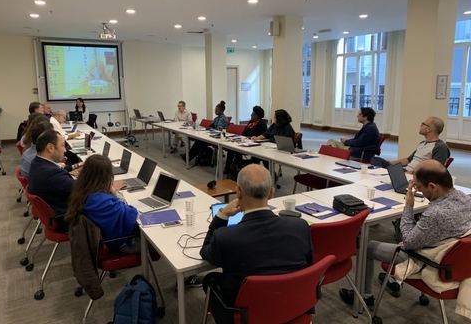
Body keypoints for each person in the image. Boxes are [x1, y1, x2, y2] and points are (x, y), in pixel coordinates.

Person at [339, 160, 471, 311]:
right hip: (455, 257)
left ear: (433, 186)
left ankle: (363, 296)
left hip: (429, 260)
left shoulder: (436, 213)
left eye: (419, 187)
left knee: (365, 246)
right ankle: (390, 280)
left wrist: (408, 206)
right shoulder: (465, 198)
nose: (418, 190)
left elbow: (408, 242)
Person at [200, 164, 313, 324]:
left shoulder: (225, 237)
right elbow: (308, 268)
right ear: (272, 193)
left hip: (247, 316)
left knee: (211, 279)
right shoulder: (300, 227)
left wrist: (222, 215)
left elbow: (206, 253)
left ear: (238, 193)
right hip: (294, 307)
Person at [64, 155, 138, 253]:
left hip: (104, 240)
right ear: (108, 176)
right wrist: (114, 192)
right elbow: (132, 213)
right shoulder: (102, 202)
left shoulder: (82, 191)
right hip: (120, 244)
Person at [27, 130, 76, 232]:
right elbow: (82, 189)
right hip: (67, 217)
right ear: (50, 148)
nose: (65, 150)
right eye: (62, 145)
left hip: (55, 210)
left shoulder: (37, 163)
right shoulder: (51, 173)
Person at [371, 116, 450, 173]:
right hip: (405, 170)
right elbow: (408, 160)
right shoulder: (423, 143)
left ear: (429, 129)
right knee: (376, 160)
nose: (420, 126)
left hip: (414, 174)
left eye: (423, 124)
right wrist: (392, 163)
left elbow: (434, 170)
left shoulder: (440, 147)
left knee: (380, 170)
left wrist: (411, 173)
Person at [224, 105, 267, 172]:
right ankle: (230, 168)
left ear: (257, 116)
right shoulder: (251, 123)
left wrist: (250, 138)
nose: (251, 115)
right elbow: (244, 132)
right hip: (246, 142)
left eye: (253, 114)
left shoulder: (262, 124)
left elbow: (261, 137)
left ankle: (239, 167)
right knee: (232, 149)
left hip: (255, 145)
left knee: (237, 150)